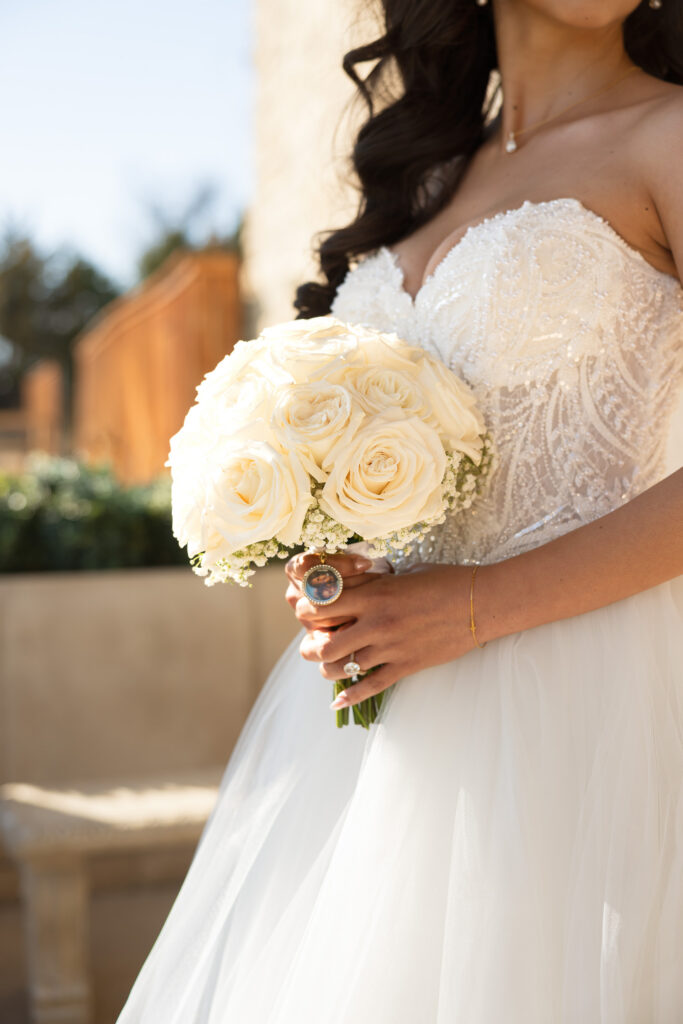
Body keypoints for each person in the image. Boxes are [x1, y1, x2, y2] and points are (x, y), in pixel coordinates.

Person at [117, 1, 683, 1020]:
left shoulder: (669, 135)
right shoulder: (425, 174)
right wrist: (329, 547)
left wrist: (473, 607)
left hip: (590, 704)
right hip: (383, 727)